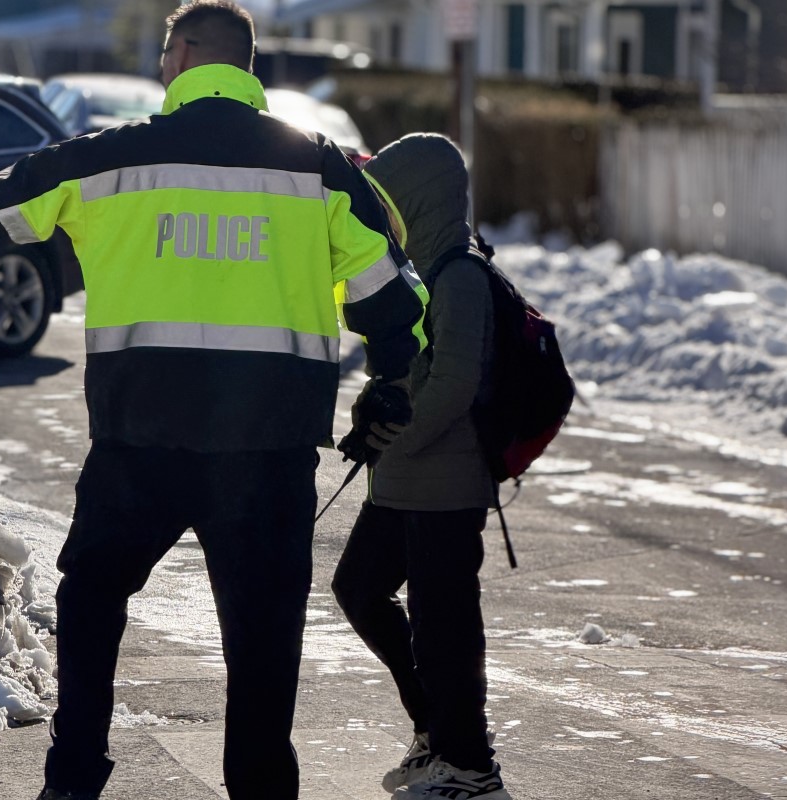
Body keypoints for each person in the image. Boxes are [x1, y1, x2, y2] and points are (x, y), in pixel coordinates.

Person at [0, 3, 428, 798]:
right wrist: (388, 390)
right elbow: (392, 296)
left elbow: (0, 203)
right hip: (267, 453)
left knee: (92, 603)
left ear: (186, 52)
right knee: (262, 637)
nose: (161, 66)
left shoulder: (113, 157)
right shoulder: (321, 168)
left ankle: (73, 778)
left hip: (140, 442)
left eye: (166, 53)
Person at [331, 133, 512, 800]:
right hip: (405, 479)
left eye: (391, 201)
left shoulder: (460, 275)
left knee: (445, 629)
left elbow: (455, 385)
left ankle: (470, 766)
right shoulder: (420, 270)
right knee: (359, 588)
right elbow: (415, 374)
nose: (385, 215)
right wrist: (374, 406)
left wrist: (395, 439)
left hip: (446, 484)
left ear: (422, 200)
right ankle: (436, 732)